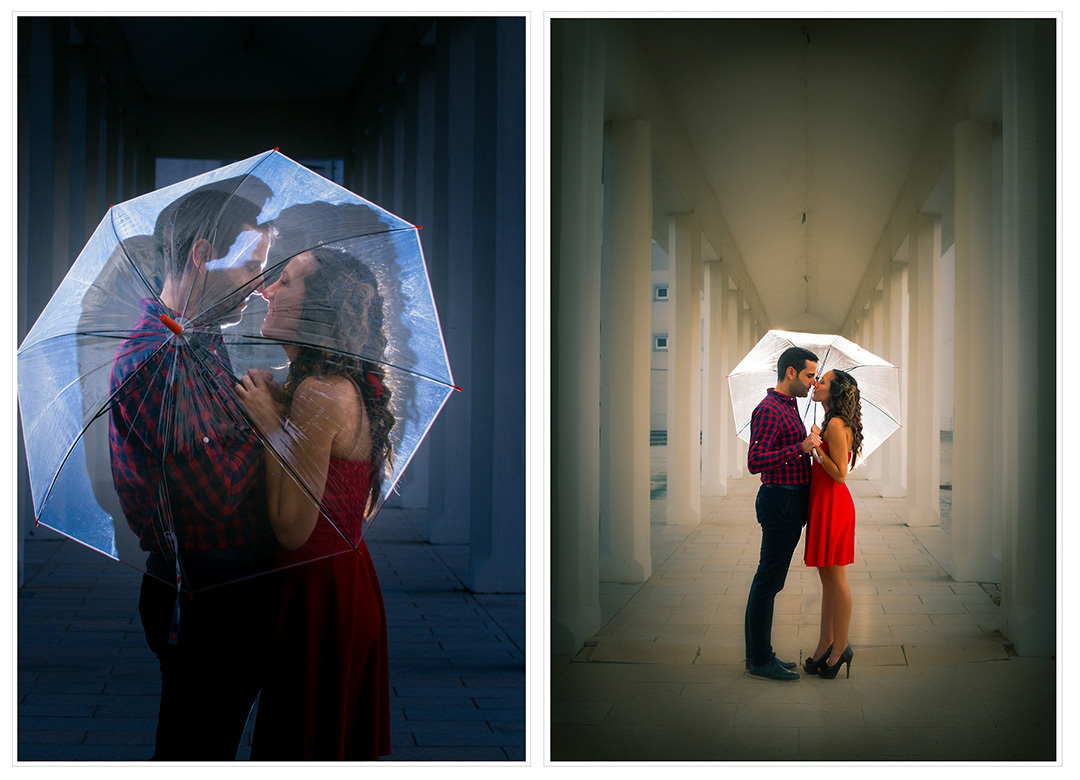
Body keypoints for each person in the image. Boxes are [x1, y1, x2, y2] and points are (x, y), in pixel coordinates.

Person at [108, 179, 277, 760]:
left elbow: (219, 443)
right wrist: (271, 424)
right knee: (194, 751)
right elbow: (219, 491)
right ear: (204, 254)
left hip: (224, 585)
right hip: (207, 594)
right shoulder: (161, 356)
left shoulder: (200, 338)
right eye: (254, 266)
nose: (259, 290)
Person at [236, 245, 393, 760]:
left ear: (320, 306)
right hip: (338, 582)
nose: (266, 289)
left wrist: (266, 423)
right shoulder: (324, 386)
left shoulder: (321, 391)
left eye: (286, 282)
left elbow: (291, 528)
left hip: (318, 592)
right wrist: (283, 415)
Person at [744, 346, 820, 681]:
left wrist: (808, 440)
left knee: (770, 582)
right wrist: (800, 447)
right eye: (809, 376)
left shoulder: (789, 407)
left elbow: (787, 450)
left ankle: (762, 654)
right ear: (791, 372)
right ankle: (759, 659)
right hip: (779, 502)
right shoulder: (770, 409)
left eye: (815, 377)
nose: (813, 383)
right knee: (767, 583)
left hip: (790, 502)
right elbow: (755, 462)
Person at [802, 369, 862, 680]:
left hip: (835, 507)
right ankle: (825, 642)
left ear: (835, 391)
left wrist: (815, 448)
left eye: (822, 381)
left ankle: (841, 648)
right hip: (823, 504)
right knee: (827, 581)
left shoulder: (837, 425)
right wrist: (817, 439)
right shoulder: (829, 424)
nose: (816, 384)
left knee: (837, 580)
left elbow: (840, 475)